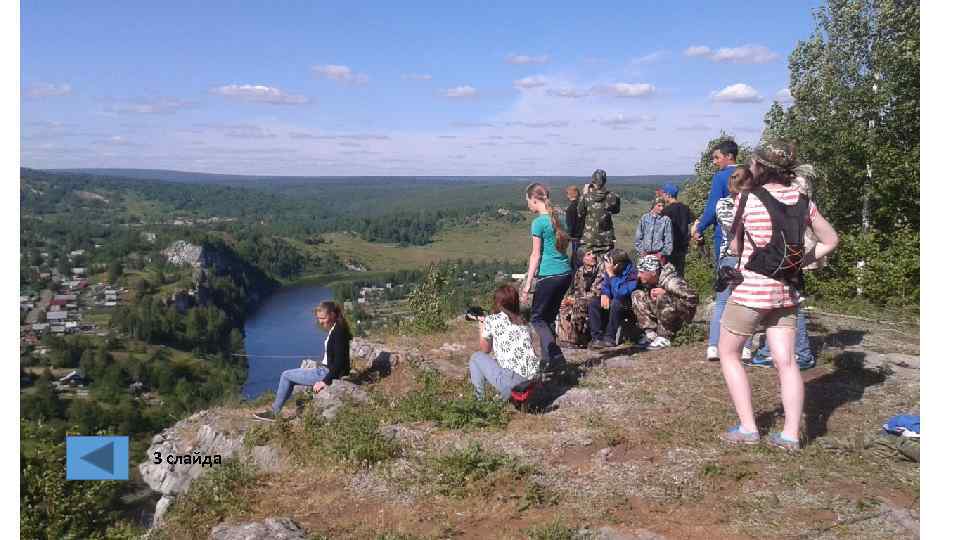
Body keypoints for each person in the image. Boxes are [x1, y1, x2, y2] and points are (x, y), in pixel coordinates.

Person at [717, 139, 838, 452]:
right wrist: (801, 261)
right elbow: (830, 239)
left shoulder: (750, 198)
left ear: (759, 166)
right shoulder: (802, 200)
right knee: (787, 362)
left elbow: (734, 247)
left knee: (729, 352)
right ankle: (790, 435)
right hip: (786, 292)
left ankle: (747, 427)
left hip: (750, 291)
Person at [747, 164, 820, 370]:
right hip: (792, 250)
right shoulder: (797, 184)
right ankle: (781, 351)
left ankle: (798, 352)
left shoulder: (795, 186)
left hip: (788, 251)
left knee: (789, 301)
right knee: (786, 300)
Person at [254, 301, 352, 421]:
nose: (320, 322)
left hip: (326, 373)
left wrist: (325, 381)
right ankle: (275, 411)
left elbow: (340, 361)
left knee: (286, 375)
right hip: (326, 370)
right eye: (318, 318)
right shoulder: (337, 327)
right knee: (291, 375)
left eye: (323, 318)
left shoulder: (338, 331)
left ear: (332, 314)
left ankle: (274, 413)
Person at [521, 183, 572, 372]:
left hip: (549, 274)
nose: (528, 206)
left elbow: (535, 255)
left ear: (534, 199)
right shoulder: (560, 217)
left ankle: (556, 356)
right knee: (548, 318)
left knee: (536, 318)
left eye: (528, 201)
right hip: (565, 273)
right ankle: (547, 362)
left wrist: (527, 286)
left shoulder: (539, 223)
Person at [706, 166, 755, 362]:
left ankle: (723, 346)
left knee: (731, 302)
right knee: (735, 303)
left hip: (736, 257)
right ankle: (729, 346)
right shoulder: (733, 205)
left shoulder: (724, 204)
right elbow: (740, 228)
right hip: (740, 257)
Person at [469, 284, 540, 400]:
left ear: (498, 303)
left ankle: (479, 399)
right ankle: (505, 397)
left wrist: (482, 324)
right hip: (532, 382)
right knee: (497, 362)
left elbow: (485, 350)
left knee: (476, 357)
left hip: (513, 382)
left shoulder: (492, 320)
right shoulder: (524, 322)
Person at [630, 258, 698, 349]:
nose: (639, 275)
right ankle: (651, 334)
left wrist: (666, 294)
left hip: (681, 316)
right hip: (665, 314)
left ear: (653, 272)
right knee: (637, 295)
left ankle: (665, 337)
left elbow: (693, 297)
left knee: (662, 297)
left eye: (642, 272)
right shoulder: (651, 281)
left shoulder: (672, 282)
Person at [693, 140, 739, 263]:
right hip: (749, 234)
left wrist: (699, 228)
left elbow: (713, 208)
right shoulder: (749, 174)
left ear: (729, 156)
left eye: (717, 158)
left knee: (726, 275)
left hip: (725, 234)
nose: (714, 162)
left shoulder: (721, 177)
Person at [587, 249, 638, 349]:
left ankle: (609, 338)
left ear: (617, 265)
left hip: (627, 304)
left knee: (616, 302)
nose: (607, 267)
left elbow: (621, 293)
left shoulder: (632, 274)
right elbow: (605, 285)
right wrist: (605, 294)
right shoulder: (611, 270)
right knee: (594, 303)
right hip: (614, 300)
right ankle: (596, 338)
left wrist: (611, 275)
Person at [557, 248, 604, 348]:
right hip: (582, 300)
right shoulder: (579, 272)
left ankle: (579, 338)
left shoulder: (601, 269)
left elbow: (597, 292)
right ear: (582, 259)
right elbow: (577, 291)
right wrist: (567, 300)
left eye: (593, 253)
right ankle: (567, 338)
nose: (593, 256)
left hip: (597, 301)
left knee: (578, 305)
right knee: (564, 307)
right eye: (588, 254)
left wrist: (575, 301)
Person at [577, 169, 621, 254]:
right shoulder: (613, 197)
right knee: (606, 264)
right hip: (606, 240)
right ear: (604, 181)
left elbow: (579, 213)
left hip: (590, 239)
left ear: (593, 181)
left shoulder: (586, 197)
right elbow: (616, 210)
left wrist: (585, 193)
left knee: (590, 264)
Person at [658, 183, 694, 278]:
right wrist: (690, 236)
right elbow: (696, 222)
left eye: (664, 194)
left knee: (669, 275)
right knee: (680, 273)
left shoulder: (666, 211)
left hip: (670, 248)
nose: (663, 196)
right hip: (683, 247)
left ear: (668, 195)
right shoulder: (685, 208)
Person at [634, 199, 673, 263]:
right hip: (644, 254)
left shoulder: (666, 220)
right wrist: (641, 251)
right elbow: (638, 236)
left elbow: (669, 240)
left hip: (659, 255)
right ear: (654, 206)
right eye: (659, 206)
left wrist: (662, 254)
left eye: (663, 206)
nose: (661, 208)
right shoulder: (645, 218)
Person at [565, 185, 584, 271]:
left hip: (575, 238)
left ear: (569, 195)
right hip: (583, 237)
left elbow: (570, 226)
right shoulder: (582, 206)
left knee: (575, 262)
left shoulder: (570, 209)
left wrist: (566, 238)